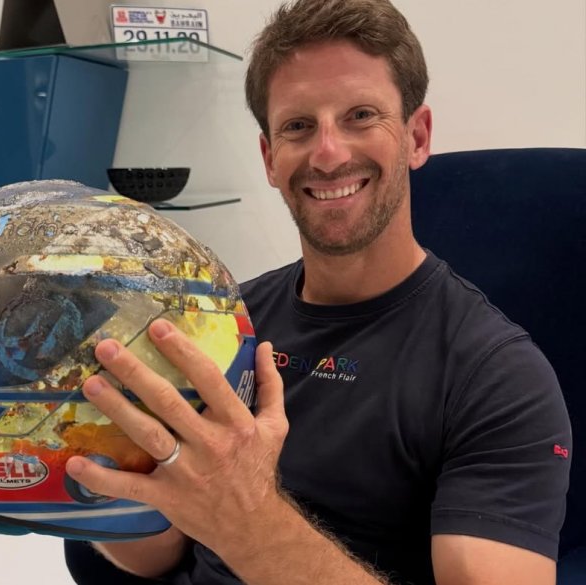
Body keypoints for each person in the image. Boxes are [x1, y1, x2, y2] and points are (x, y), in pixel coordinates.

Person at [63, 0, 572, 583]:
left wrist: (245, 518)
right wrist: (81, 470)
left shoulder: (498, 378)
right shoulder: (223, 322)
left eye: (360, 116)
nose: (328, 153)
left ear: (417, 136)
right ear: (270, 158)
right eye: (299, 126)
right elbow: (159, 555)